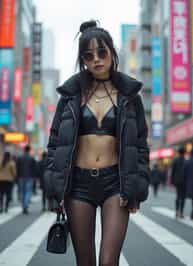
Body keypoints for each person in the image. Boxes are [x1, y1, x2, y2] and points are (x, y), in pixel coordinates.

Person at [44, 20, 150, 265]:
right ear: (83, 60)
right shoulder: (71, 97)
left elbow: (140, 145)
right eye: (89, 55)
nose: (97, 60)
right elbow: (54, 145)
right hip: (78, 185)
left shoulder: (129, 97)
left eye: (102, 52)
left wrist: (136, 187)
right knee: (86, 262)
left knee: (108, 262)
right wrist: (54, 188)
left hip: (116, 184)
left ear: (112, 53)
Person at [16, 145, 36, 214]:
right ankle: (25, 206)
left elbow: (17, 168)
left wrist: (17, 177)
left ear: (24, 150)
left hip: (21, 177)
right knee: (28, 192)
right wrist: (34, 177)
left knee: (22, 192)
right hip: (29, 177)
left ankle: (23, 206)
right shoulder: (32, 158)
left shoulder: (19, 158)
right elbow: (34, 169)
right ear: (29, 150)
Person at [171, 146, 186, 218]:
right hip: (184, 180)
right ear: (184, 152)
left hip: (177, 180)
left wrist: (172, 181)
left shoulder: (175, 160)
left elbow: (173, 171)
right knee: (183, 197)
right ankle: (181, 212)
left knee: (178, 196)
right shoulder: (186, 161)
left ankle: (177, 211)